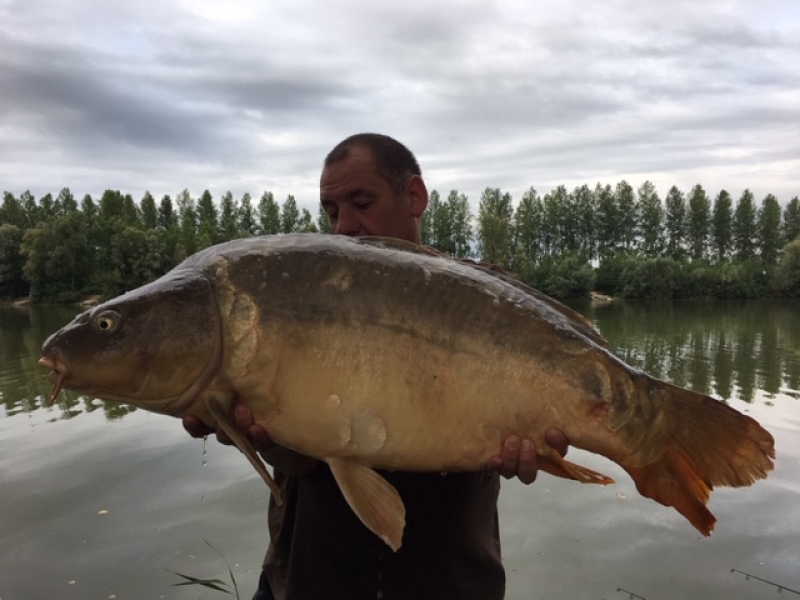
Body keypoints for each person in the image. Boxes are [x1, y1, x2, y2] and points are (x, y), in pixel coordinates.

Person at [183, 133, 569, 599]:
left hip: (449, 581)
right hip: (311, 580)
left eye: (361, 202)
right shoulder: (301, 294)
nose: (344, 226)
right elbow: (298, 454)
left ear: (414, 197)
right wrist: (245, 427)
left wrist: (536, 447)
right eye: (331, 211)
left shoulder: (486, 299)